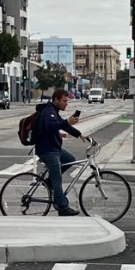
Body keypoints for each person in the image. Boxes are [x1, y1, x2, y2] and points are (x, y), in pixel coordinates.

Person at [34, 88, 86, 216]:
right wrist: (66, 121)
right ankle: (62, 208)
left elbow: (62, 125)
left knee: (70, 159)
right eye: (64, 101)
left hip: (54, 148)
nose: (66, 103)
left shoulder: (54, 111)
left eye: (67, 101)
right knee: (58, 180)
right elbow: (50, 126)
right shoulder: (49, 111)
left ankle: (49, 182)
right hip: (48, 150)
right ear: (56, 100)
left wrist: (79, 134)